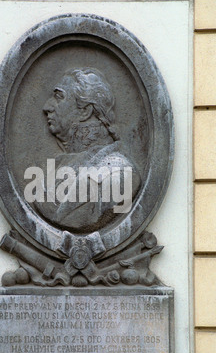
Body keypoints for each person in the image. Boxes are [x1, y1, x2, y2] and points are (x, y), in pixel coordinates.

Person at [34, 67, 141, 232]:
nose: (47, 107)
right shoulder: (51, 173)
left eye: (58, 97)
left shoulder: (119, 174)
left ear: (85, 111)